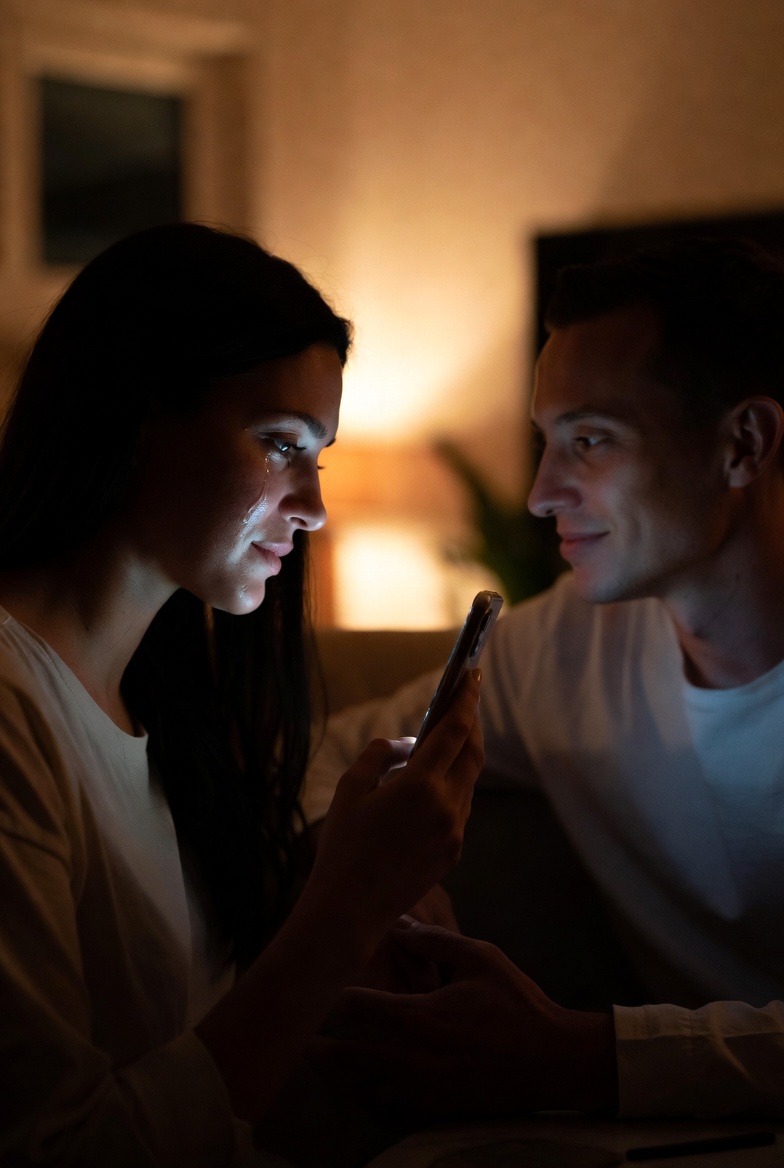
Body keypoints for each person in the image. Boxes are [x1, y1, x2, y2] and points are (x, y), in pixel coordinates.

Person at [0, 222, 484, 1166]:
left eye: (318, 457)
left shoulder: (164, 708)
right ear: (138, 414)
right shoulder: (15, 705)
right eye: (277, 444)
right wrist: (344, 912)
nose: (315, 507)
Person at [306, 237, 784, 1122]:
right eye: (547, 442)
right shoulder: (566, 647)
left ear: (742, 445)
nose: (539, 493)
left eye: (590, 440)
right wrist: (388, 883)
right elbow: (337, 750)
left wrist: (584, 1057)